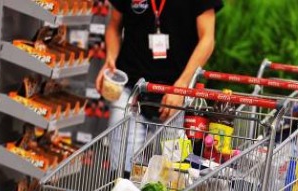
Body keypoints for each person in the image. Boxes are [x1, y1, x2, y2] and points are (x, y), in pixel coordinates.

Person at [96, 0, 223, 178]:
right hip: (131, 91)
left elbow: (207, 39)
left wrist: (182, 85)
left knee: (171, 177)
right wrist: (110, 59)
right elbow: (113, 26)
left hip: (177, 95)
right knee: (122, 175)